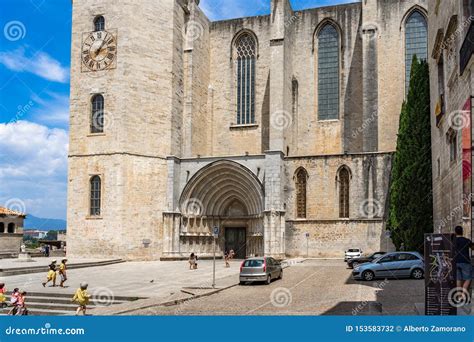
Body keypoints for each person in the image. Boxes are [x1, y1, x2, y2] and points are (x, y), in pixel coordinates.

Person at [455, 226, 473, 304]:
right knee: (468, 278)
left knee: (458, 279)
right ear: (462, 232)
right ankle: (463, 295)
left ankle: (459, 297)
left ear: (455, 232)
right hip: (465, 261)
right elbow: (473, 248)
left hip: (455, 262)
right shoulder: (466, 240)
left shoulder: (453, 241)